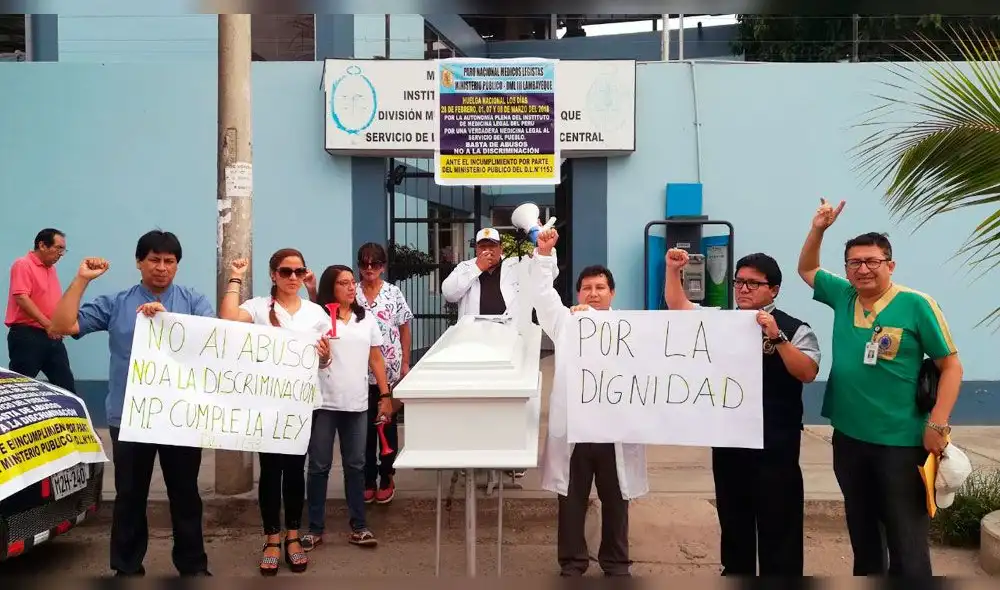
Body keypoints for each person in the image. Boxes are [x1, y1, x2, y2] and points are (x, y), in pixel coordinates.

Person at [797, 198, 964, 576]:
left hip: (902, 442)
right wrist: (819, 229)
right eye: (854, 262)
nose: (863, 269)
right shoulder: (843, 295)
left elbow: (951, 366)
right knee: (863, 534)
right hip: (850, 438)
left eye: (872, 261)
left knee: (906, 537)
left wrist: (937, 424)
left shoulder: (917, 305)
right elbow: (806, 268)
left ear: (890, 265)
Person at [48, 230, 214, 577]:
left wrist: (167, 320)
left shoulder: (194, 302)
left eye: (169, 261)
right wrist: (81, 279)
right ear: (139, 262)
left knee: (185, 495)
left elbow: (210, 345)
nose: (161, 267)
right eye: (154, 259)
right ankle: (126, 567)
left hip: (179, 417)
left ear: (177, 266)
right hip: (129, 416)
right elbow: (61, 325)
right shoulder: (117, 303)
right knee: (130, 496)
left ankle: (193, 566)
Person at [664, 248, 821, 576]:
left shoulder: (795, 328)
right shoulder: (722, 322)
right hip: (730, 445)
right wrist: (672, 270)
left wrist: (776, 337)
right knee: (734, 524)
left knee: (779, 525)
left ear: (773, 289)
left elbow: (807, 372)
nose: (743, 289)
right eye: (739, 282)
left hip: (775, 447)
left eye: (753, 283)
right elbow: (678, 307)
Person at [530, 228, 647, 577]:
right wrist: (544, 255)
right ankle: (572, 561)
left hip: (616, 431)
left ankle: (616, 562)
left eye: (600, 288)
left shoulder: (631, 327)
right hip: (576, 432)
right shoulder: (566, 322)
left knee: (616, 500)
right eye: (587, 288)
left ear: (612, 293)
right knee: (571, 499)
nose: (593, 294)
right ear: (578, 292)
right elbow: (541, 294)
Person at [219, 249, 332, 575]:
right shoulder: (256, 307)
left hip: (301, 403)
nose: (293, 277)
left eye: (299, 271)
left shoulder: (315, 313)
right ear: (273, 275)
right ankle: (271, 538)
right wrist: (236, 275)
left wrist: (324, 357)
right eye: (286, 272)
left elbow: (325, 360)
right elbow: (227, 318)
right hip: (266, 403)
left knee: (296, 470)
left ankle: (293, 537)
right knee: (270, 471)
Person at [301, 265, 393, 551]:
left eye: (352, 282)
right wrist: (311, 289)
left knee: (356, 465)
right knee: (318, 466)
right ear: (332, 288)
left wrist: (385, 394)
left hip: (356, 404)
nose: (352, 287)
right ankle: (314, 528)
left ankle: (360, 526)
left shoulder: (365, 320)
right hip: (323, 403)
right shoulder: (320, 319)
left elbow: (375, 359)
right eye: (344, 283)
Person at [355, 242, 412, 505]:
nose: (369, 269)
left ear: (383, 266)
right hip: (357, 373)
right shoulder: (351, 293)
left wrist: (405, 364)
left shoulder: (393, 293)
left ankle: (387, 475)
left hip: (388, 371)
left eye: (375, 264)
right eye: (365, 264)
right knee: (364, 429)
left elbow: (404, 329)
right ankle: (367, 479)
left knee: (387, 428)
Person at [5, 228, 76, 393]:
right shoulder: (23, 264)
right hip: (28, 336)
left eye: (63, 249)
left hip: (52, 336)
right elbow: (22, 297)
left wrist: (58, 325)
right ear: (42, 245)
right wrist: (48, 325)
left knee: (67, 388)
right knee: (18, 389)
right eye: (58, 248)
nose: (61, 254)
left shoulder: (51, 269)